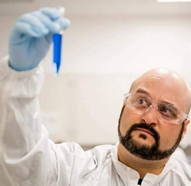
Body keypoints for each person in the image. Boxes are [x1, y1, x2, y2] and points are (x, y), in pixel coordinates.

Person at [0, 7, 191, 186]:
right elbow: (25, 168)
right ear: (124, 104)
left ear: (184, 129)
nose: (148, 118)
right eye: (141, 101)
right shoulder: (72, 168)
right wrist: (20, 76)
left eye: (166, 110)